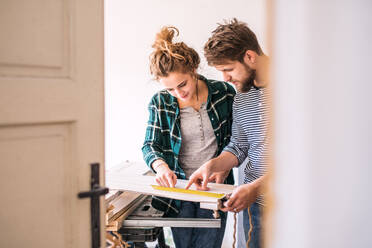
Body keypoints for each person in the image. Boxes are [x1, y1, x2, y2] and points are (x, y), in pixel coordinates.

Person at [141, 26, 236, 248]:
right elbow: (149, 145)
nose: (179, 93)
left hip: (213, 188)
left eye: (182, 84)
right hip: (179, 190)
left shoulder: (224, 93)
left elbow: (238, 140)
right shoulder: (160, 102)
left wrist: (224, 167)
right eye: (171, 89)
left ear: (193, 69)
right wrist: (161, 167)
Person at [186, 18, 270, 248]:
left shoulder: (299, 85)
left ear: (250, 57)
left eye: (228, 69)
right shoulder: (242, 96)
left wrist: (256, 187)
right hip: (258, 207)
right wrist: (214, 165)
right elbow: (239, 146)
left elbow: (307, 156)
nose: (225, 78)